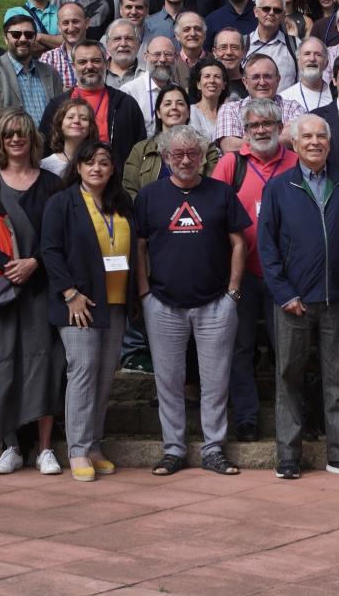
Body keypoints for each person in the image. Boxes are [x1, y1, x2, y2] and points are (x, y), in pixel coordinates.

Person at [258, 114, 339, 479]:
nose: (314, 142)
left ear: (330, 142)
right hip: (294, 302)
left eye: (321, 136)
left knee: (338, 381)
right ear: (293, 142)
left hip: (337, 299)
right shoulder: (279, 187)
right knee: (288, 378)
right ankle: (288, 455)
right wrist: (283, 293)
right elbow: (268, 247)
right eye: (306, 136)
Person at [135, 125, 251, 477]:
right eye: (178, 154)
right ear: (166, 158)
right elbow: (138, 247)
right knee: (168, 381)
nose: (186, 160)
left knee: (215, 380)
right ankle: (173, 448)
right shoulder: (150, 196)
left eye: (193, 154)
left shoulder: (221, 193)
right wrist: (144, 293)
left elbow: (239, 243)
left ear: (203, 157)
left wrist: (232, 292)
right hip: (163, 303)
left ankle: (214, 448)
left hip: (216, 302)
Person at [0, 109, 64, 477]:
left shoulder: (50, 185)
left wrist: (34, 263)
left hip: (39, 288)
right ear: (0, 139)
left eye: (22, 133)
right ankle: (10, 446)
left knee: (44, 363)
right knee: (1, 363)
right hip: (1, 289)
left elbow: (58, 235)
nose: (15, 139)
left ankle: (44, 449)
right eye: (8, 134)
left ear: (32, 138)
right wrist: (7, 264)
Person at [41, 140, 140, 481]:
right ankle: (78, 450)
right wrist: (70, 294)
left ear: (112, 168)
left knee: (103, 375)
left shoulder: (121, 202)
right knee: (83, 371)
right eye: (89, 163)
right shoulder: (61, 203)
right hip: (79, 304)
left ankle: (95, 445)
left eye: (103, 162)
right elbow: (50, 252)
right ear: (78, 167)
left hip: (114, 302)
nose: (96, 168)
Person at [209, 100, 299, 442]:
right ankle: (247, 417)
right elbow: (215, 212)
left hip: (286, 276)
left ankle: (288, 419)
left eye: (267, 124)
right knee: (240, 349)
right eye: (254, 126)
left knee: (287, 352)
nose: (261, 130)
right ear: (244, 132)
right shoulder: (232, 164)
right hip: (242, 274)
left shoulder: (295, 161)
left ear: (280, 127)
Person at [38, 41, 146, 167]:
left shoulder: (126, 104)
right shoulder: (56, 106)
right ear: (73, 66)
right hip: (66, 182)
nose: (89, 66)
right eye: (82, 62)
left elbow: (140, 150)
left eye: (95, 61)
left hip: (115, 182)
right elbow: (45, 149)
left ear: (106, 64)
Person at [121, 83, 221, 199]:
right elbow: (129, 190)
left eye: (180, 104)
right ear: (158, 112)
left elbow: (213, 187)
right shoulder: (140, 150)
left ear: (188, 112)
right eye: (168, 104)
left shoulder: (206, 147)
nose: (174, 107)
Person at [0, 14, 64, 123]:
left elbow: (61, 112)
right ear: (5, 38)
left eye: (29, 35)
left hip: (48, 139)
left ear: (34, 38)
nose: (23, 39)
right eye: (16, 34)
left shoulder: (50, 73)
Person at [214, 54, 304, 153]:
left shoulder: (293, 107)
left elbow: (295, 138)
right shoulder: (230, 109)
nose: (262, 82)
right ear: (245, 82)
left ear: (278, 80)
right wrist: (276, 139)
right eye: (256, 77)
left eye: (267, 76)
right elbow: (229, 146)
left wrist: (247, 141)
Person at [122, 36, 179, 137]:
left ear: (176, 57)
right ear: (145, 56)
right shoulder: (129, 92)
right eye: (157, 54)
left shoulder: (179, 92)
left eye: (168, 54)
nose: (162, 59)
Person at [246, 0, 299, 90]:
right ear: (256, 12)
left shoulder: (295, 45)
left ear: (283, 16)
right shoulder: (242, 43)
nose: (271, 13)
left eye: (277, 10)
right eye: (266, 9)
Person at [40, 97, 99, 178]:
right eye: (70, 117)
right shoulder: (45, 166)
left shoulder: (100, 164)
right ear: (60, 125)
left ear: (91, 127)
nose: (76, 121)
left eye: (83, 118)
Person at [42, 3, 89, 90]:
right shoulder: (49, 58)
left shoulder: (101, 54)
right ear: (59, 27)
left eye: (75, 21)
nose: (71, 28)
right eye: (65, 23)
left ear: (86, 23)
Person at [281, 37, 332, 112]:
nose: (312, 59)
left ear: (326, 63)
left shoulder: (336, 97)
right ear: (298, 61)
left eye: (318, 55)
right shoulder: (284, 99)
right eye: (307, 54)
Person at [188, 56, 229, 142]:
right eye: (207, 76)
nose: (212, 81)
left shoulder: (229, 111)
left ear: (224, 85)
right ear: (198, 84)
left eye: (217, 76)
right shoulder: (191, 112)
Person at [104, 17, 145, 89]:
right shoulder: (97, 71)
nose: (123, 44)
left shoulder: (148, 74)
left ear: (138, 44)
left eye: (129, 38)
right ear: (107, 44)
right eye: (117, 39)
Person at [172, 12, 210, 88]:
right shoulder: (171, 63)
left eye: (197, 29)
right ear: (177, 36)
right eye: (186, 29)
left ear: (204, 35)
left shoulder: (215, 62)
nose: (192, 33)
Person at [212, 28, 249, 101]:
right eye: (223, 47)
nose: (229, 52)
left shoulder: (252, 83)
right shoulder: (206, 83)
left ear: (244, 52)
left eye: (234, 47)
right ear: (214, 52)